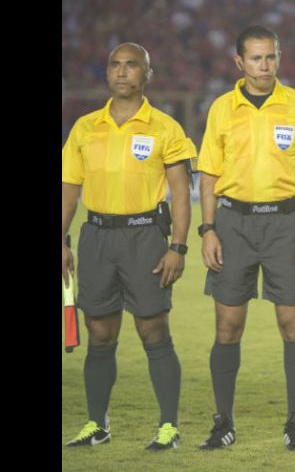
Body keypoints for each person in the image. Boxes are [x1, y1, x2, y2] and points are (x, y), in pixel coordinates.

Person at [196, 25, 295, 452]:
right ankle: (223, 423)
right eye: (255, 58)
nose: (264, 65)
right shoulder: (221, 109)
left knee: (293, 324)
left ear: (279, 57)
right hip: (232, 223)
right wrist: (208, 228)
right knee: (227, 325)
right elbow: (209, 175)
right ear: (239, 62)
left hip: (286, 223)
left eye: (270, 56)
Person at [62, 43, 196, 450]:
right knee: (99, 332)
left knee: (153, 328)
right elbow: (69, 188)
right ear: (107, 73)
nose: (122, 73)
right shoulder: (85, 127)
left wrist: (178, 247)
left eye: (131, 65)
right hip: (97, 236)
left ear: (146, 74)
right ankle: (96, 424)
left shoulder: (165, 127)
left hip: (144, 236)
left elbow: (180, 194)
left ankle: (168, 426)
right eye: (115, 65)